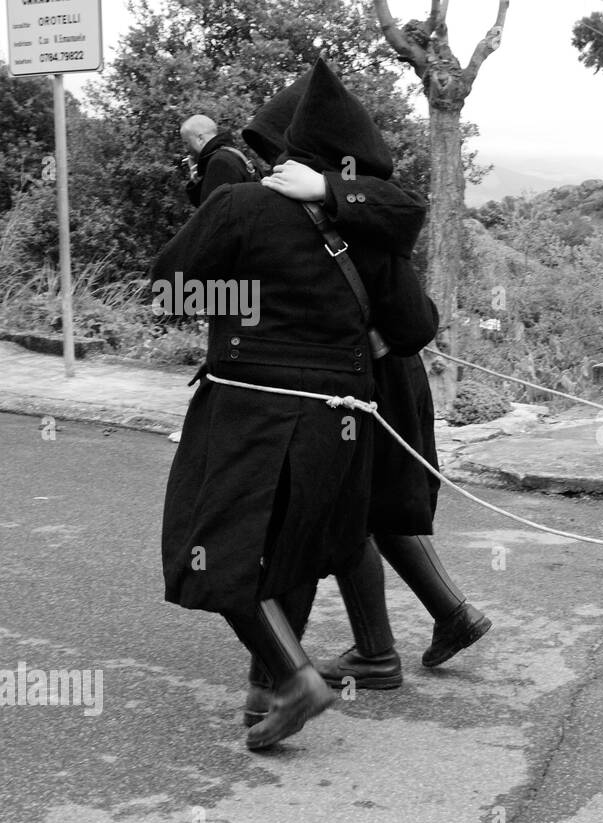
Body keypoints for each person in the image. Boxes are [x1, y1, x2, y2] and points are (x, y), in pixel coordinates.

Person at [153, 60, 437, 750]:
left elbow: (169, 290)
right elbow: (413, 330)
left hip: (251, 406)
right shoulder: (371, 229)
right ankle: (263, 690)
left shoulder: (241, 206)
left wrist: (249, 307)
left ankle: (294, 678)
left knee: (211, 545)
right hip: (341, 419)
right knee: (296, 550)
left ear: (287, 148)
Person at [235, 74, 493, 723]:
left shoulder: (361, 209)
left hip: (378, 386)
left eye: (283, 150)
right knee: (366, 511)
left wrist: (358, 335)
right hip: (358, 387)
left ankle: (370, 653)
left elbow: (414, 315)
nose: (276, 163)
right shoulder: (325, 214)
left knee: (354, 512)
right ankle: (432, 623)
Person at [179, 115, 256, 207]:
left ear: (200, 139)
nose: (185, 149)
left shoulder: (219, 163)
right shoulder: (233, 154)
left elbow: (214, 213)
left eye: (186, 143)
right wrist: (198, 182)